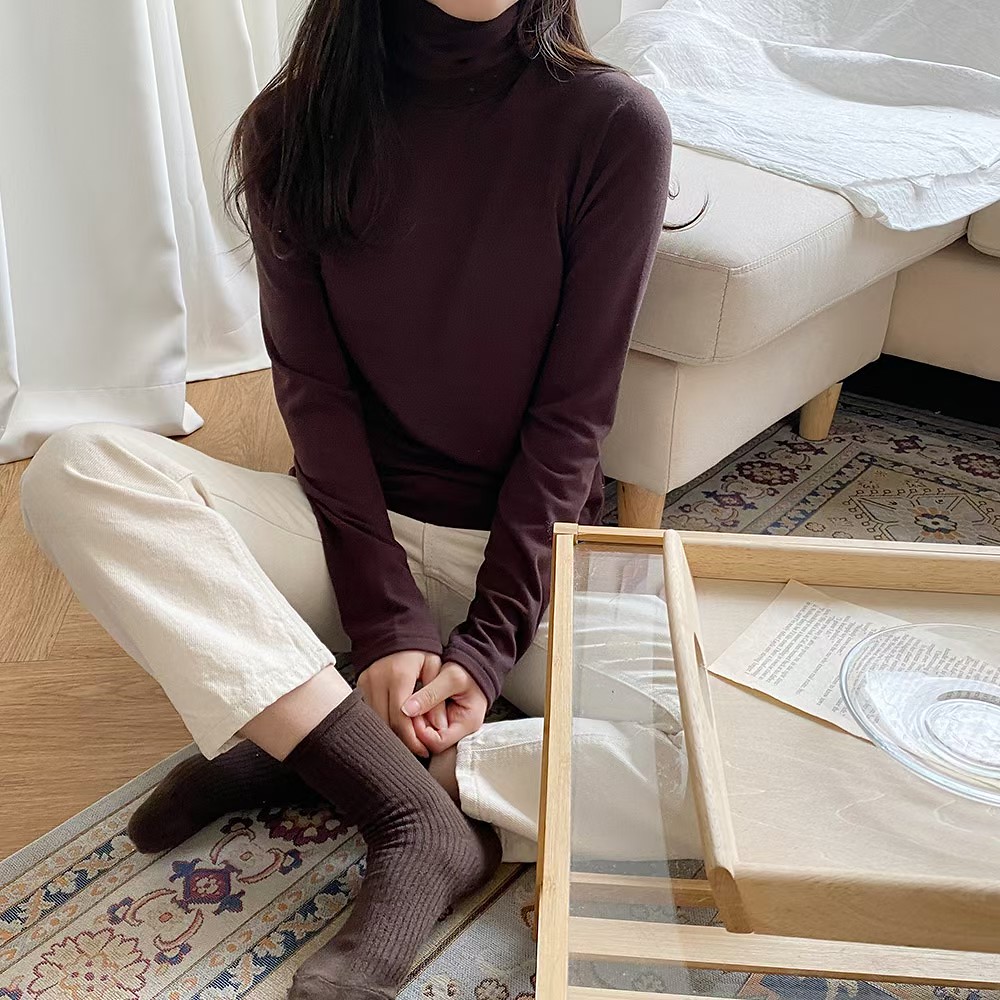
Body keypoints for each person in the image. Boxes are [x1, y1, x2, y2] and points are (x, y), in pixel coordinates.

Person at [19, 0, 687, 996]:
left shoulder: (611, 124)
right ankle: (408, 815)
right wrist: (385, 623)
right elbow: (316, 403)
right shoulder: (294, 124)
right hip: (343, 540)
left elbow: (572, 420)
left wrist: (486, 644)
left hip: (536, 559)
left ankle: (326, 746)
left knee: (730, 764)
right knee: (77, 471)